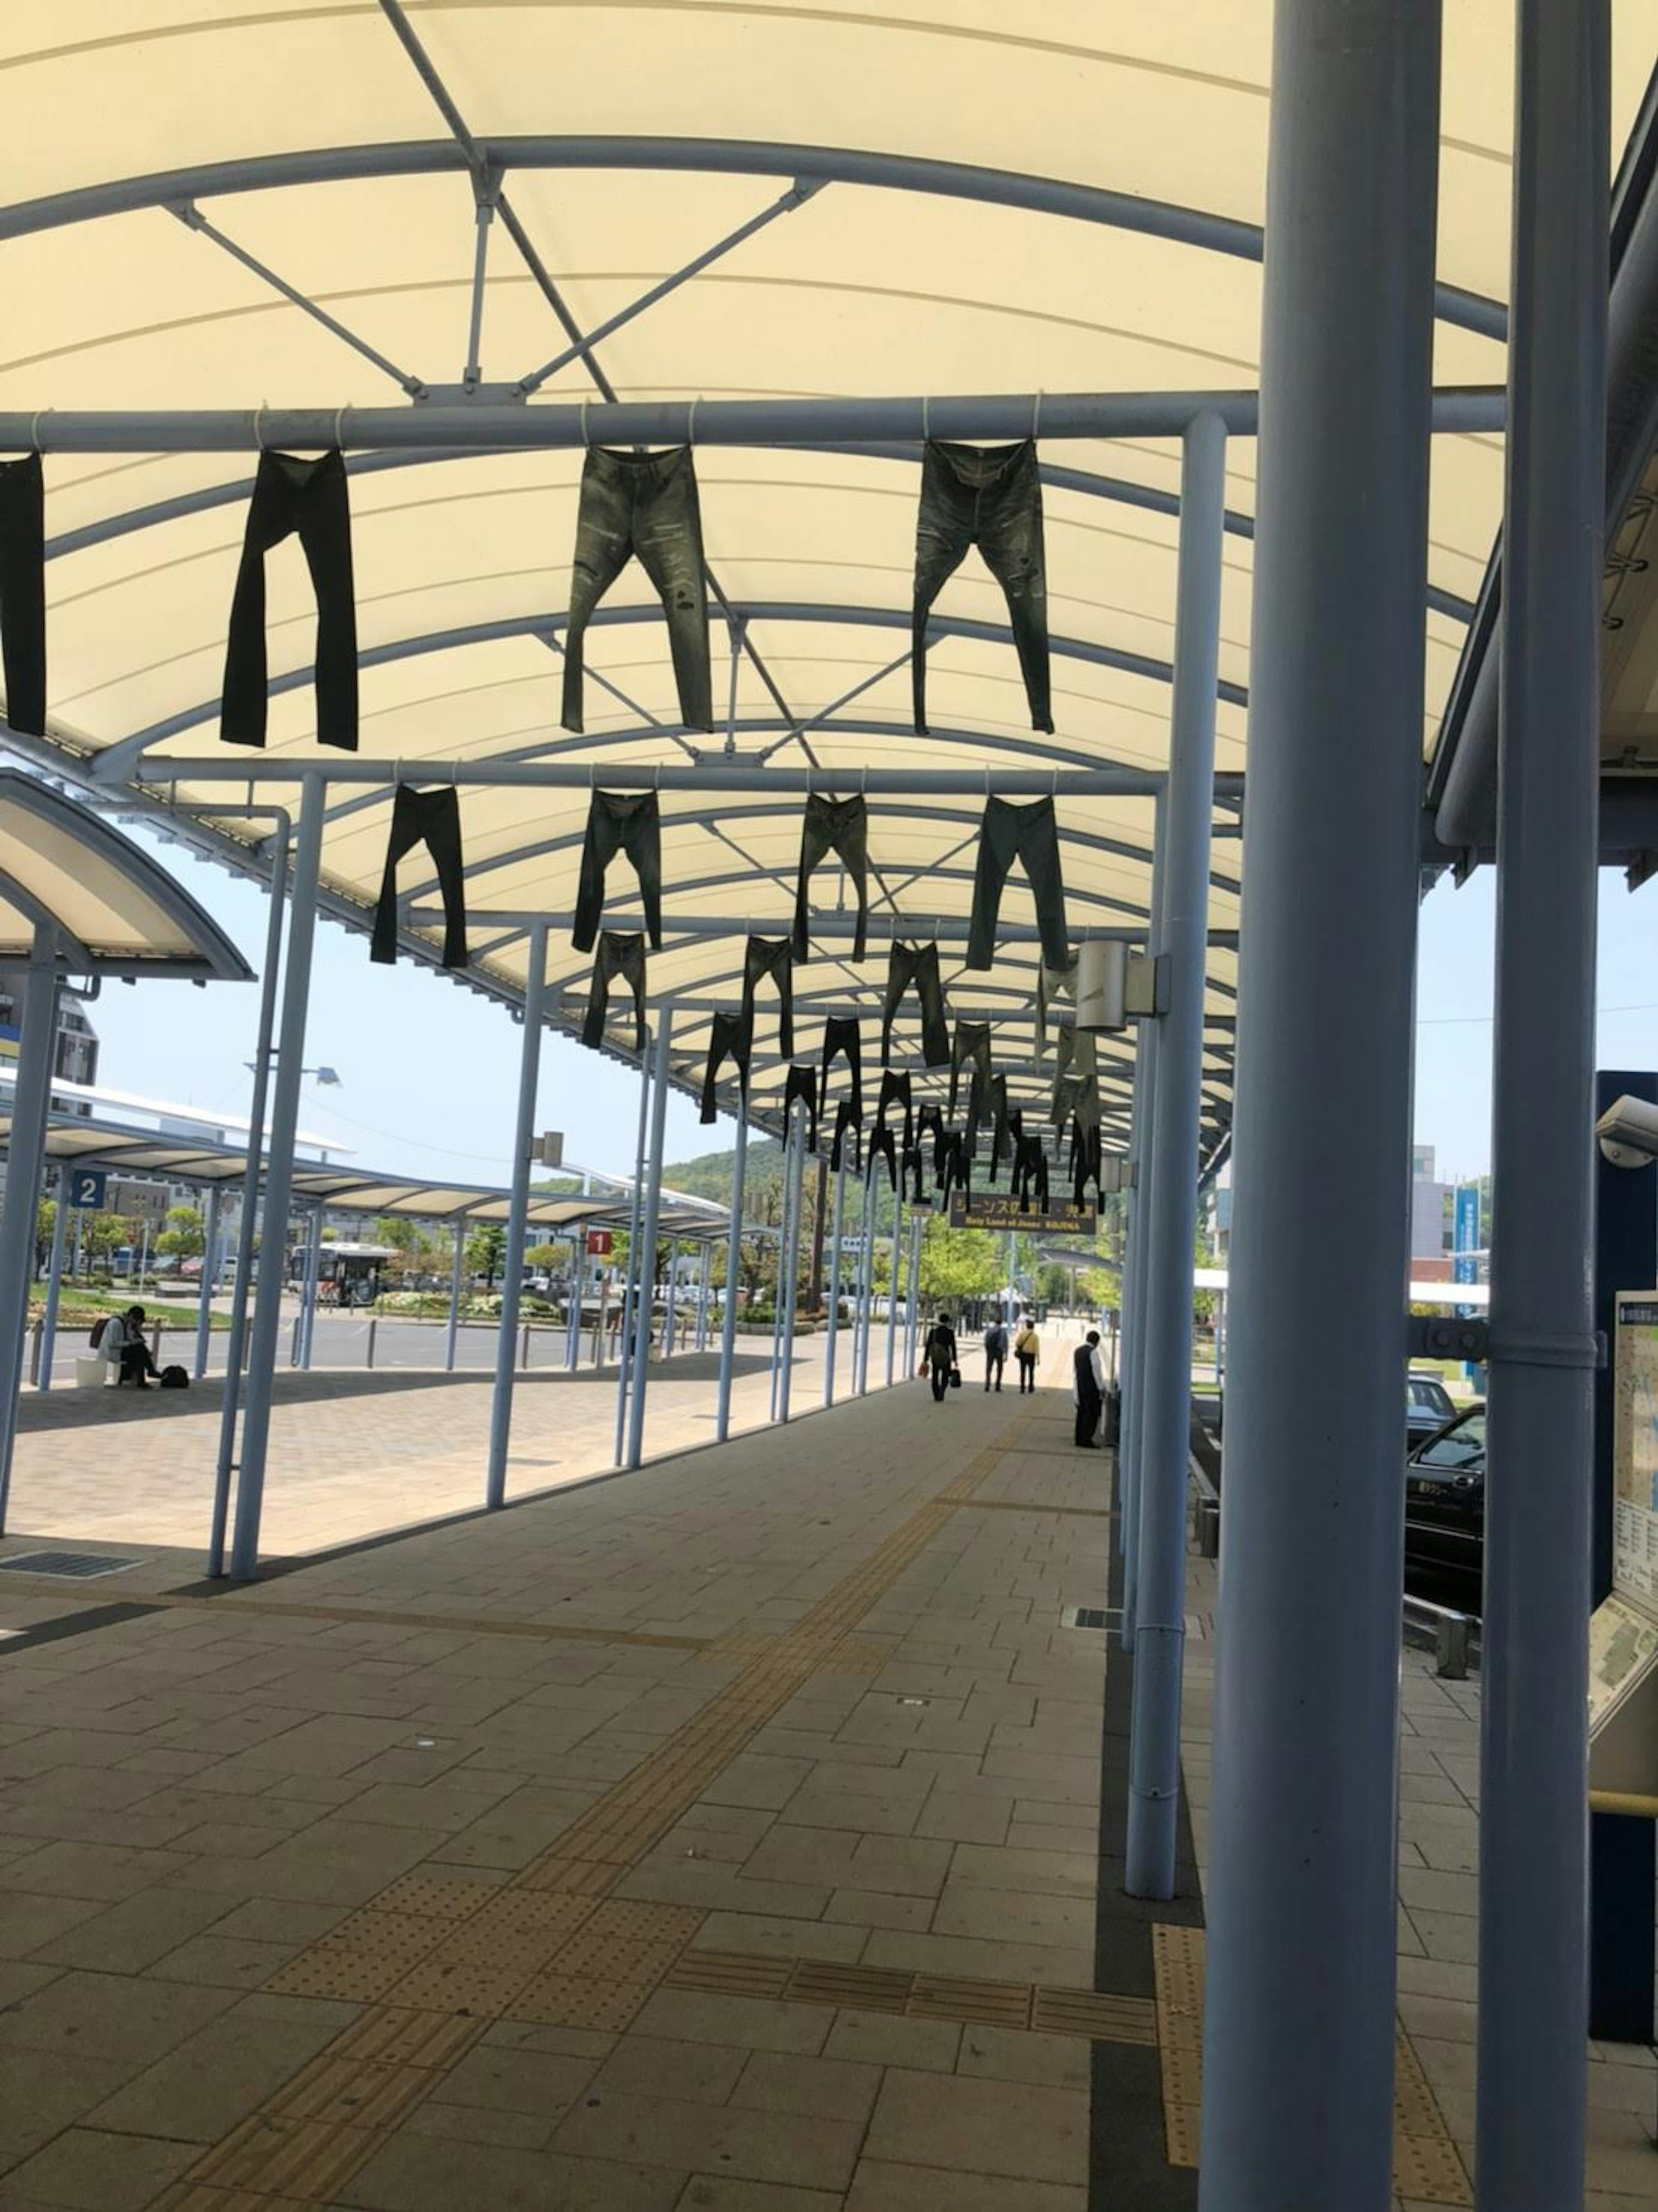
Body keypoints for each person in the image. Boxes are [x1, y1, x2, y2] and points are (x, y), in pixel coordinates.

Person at [102, 1305, 159, 1390]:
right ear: (131, 1317)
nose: (136, 1324)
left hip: (123, 1350)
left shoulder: (128, 1324)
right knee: (139, 1350)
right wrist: (131, 1343)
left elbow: (132, 1338)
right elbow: (112, 1344)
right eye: (136, 1321)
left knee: (139, 1350)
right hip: (113, 1352)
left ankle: (146, 1376)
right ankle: (150, 1372)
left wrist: (136, 1332)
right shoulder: (116, 1323)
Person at [1073, 1327, 1105, 1448]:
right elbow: (1097, 1372)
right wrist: (1101, 1388)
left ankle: (1079, 1438)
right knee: (1091, 1415)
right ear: (1097, 1342)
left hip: (1080, 1387)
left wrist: (1075, 1391)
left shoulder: (1078, 1351)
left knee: (1081, 1413)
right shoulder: (1093, 1352)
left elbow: (1075, 1371)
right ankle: (1087, 1439)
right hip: (1091, 1389)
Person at [920, 1312, 958, 1403]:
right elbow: (953, 1347)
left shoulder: (933, 1332)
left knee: (935, 1376)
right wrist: (955, 1359)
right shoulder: (950, 1332)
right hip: (946, 1358)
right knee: (945, 1377)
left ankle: (936, 1395)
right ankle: (942, 1392)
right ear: (947, 1322)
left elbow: (929, 1346)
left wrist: (925, 1359)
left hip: (936, 1357)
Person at [1013, 1309, 1041, 1394]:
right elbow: (1037, 1348)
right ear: (1033, 1327)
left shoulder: (1023, 1334)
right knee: (1031, 1372)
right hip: (1031, 1356)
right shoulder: (1036, 1337)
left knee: (1023, 1371)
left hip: (1023, 1355)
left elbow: (1017, 1343)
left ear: (1027, 1326)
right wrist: (1038, 1358)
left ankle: (1022, 1387)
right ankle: (1031, 1387)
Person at [981, 1314, 1008, 1392]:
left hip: (991, 1351)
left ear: (995, 1322)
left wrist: (987, 1350)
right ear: (1001, 1323)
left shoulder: (990, 1330)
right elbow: (1006, 1344)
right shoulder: (1003, 1332)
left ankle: (987, 1384)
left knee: (989, 1368)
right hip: (999, 1351)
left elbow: (986, 1341)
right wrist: (1006, 1354)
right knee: (999, 1369)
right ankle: (998, 1385)